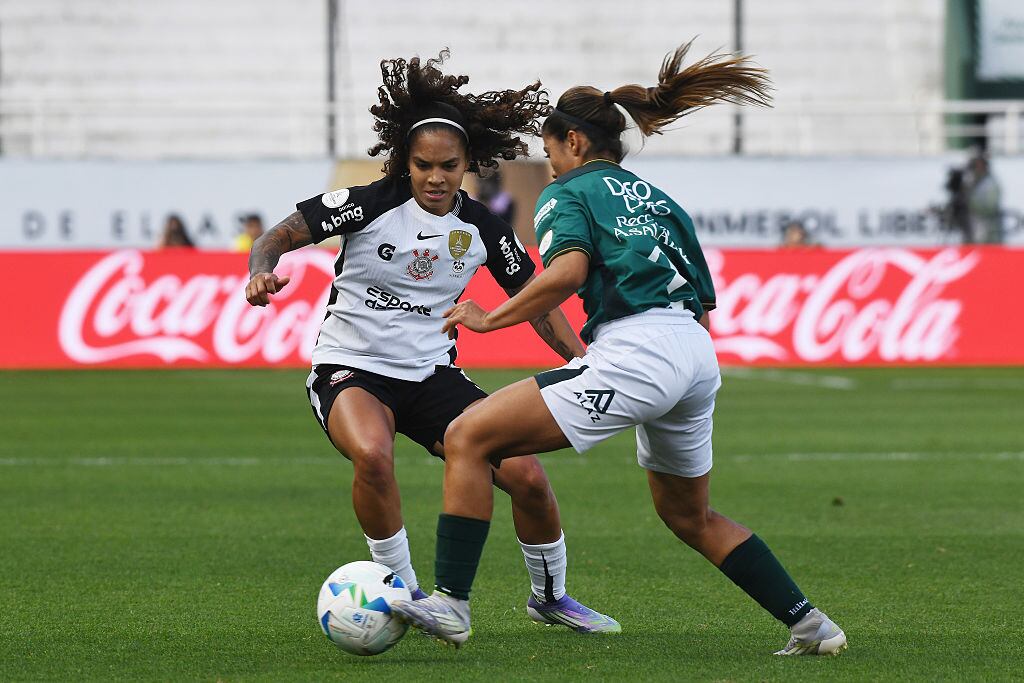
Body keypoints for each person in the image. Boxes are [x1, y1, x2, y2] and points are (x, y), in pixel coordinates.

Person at [391, 40, 847, 657]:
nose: (550, 166)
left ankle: (450, 602)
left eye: (551, 153)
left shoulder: (569, 192)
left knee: (470, 436)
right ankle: (812, 625)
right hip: (693, 355)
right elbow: (703, 304)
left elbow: (567, 272)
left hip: (639, 352)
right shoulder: (661, 202)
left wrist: (489, 317)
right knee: (691, 516)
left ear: (574, 144)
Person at [244, 51, 618, 633]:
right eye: (424, 166)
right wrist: (260, 270)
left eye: (449, 165)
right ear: (406, 162)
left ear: (469, 162)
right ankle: (404, 590)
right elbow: (279, 236)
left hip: (432, 374)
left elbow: (537, 298)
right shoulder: (370, 203)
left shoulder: (485, 226)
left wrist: (581, 360)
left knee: (527, 477)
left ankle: (550, 596)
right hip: (352, 368)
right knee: (372, 454)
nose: (437, 177)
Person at [965, 153, 1002, 244]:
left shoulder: (990, 184)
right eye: (974, 166)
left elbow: (990, 207)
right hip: (974, 227)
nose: (976, 169)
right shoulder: (971, 182)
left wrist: (971, 205)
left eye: (979, 166)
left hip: (988, 230)